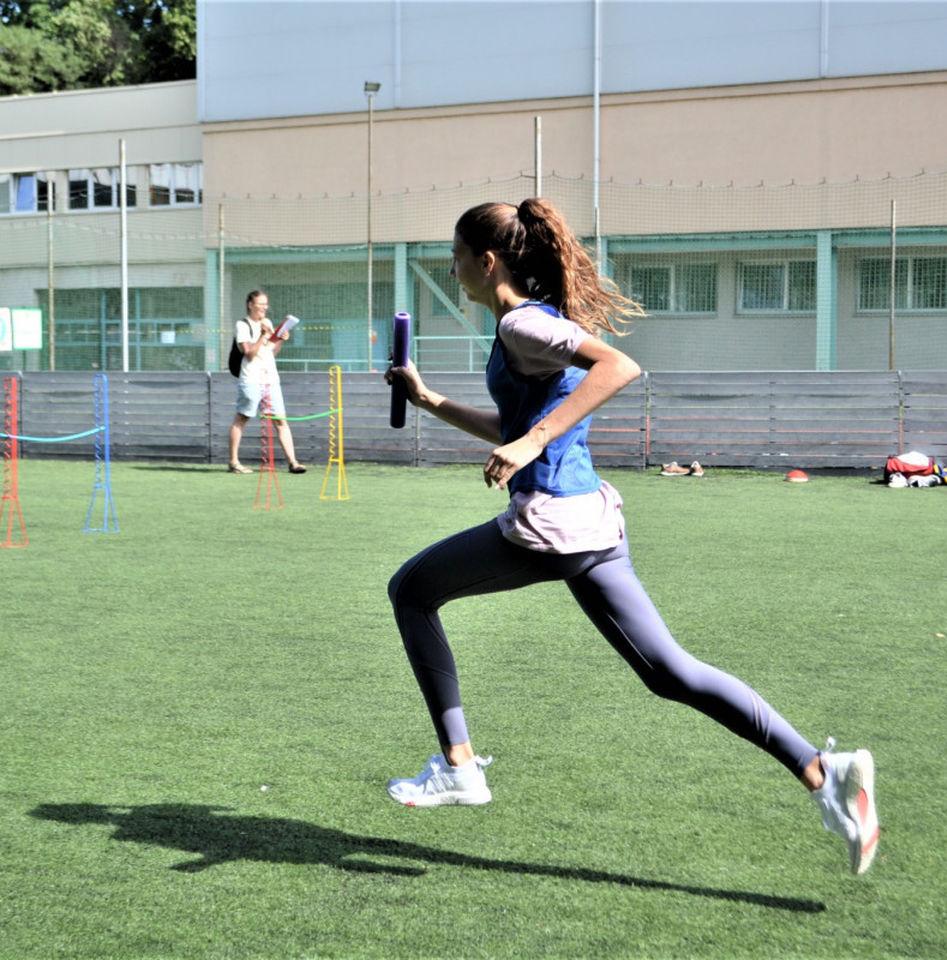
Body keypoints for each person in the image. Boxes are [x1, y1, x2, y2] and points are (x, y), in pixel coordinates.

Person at [384, 198, 879, 876]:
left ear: (486, 260)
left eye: (455, 256)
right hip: (589, 519)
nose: (452, 269)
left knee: (411, 591)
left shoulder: (523, 323)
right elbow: (518, 425)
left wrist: (533, 442)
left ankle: (459, 767)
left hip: (553, 522)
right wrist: (431, 401)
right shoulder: (527, 324)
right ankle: (822, 769)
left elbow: (617, 368)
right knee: (669, 671)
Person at [227, 290, 307, 474]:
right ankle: (233, 462)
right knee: (242, 418)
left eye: (266, 304)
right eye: (261, 304)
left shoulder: (268, 323)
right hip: (251, 379)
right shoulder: (242, 325)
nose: (264, 307)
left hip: (270, 379)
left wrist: (280, 339)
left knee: (280, 420)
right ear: (250, 305)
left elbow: (271, 352)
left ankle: (293, 462)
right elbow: (250, 353)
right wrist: (262, 335)